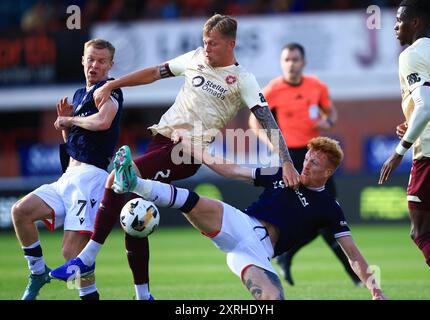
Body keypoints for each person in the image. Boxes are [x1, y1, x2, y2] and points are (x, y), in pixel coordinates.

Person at [50, 14, 300, 300]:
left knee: (118, 178)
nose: (207, 48)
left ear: (231, 44)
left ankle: (87, 256)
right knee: (134, 209)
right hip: (161, 141)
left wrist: (287, 162)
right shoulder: (195, 58)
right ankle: (143, 295)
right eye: (205, 42)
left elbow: (267, 120)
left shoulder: (243, 80)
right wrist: (112, 85)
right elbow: (155, 73)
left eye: (214, 44)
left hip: (185, 151)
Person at [110, 136, 386, 300]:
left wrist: (374, 290)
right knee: (194, 202)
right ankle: (136, 182)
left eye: (314, 163)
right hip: (242, 222)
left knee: (273, 298)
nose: (306, 164)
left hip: (257, 252)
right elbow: (232, 171)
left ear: (327, 172)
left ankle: (136, 182)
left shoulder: (329, 206)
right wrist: (201, 153)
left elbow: (352, 253)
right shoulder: (282, 173)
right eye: (307, 158)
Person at [11, 39, 123, 300]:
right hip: (68, 177)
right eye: (91, 59)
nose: (95, 65)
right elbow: (75, 143)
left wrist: (70, 119)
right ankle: (37, 273)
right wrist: (66, 129)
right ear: (83, 60)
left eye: (101, 61)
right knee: (21, 212)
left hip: (91, 178)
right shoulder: (78, 95)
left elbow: (104, 121)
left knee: (71, 254)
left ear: (110, 65)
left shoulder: (109, 89)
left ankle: (89, 295)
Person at [248, 43, 360, 286]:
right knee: (316, 217)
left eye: (295, 59)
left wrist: (328, 121)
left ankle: (287, 257)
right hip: (291, 159)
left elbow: (331, 114)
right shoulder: (274, 89)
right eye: (287, 59)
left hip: (316, 158)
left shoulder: (316, 86)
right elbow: (254, 120)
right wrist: (272, 147)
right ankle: (357, 278)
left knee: (327, 213)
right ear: (281, 63)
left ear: (303, 62)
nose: (291, 64)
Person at [379, 0, 430, 290]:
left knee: (420, 231)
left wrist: (398, 153)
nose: (395, 26)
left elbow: (426, 109)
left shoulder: (411, 54)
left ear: (416, 23)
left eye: (399, 20)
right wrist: (411, 121)